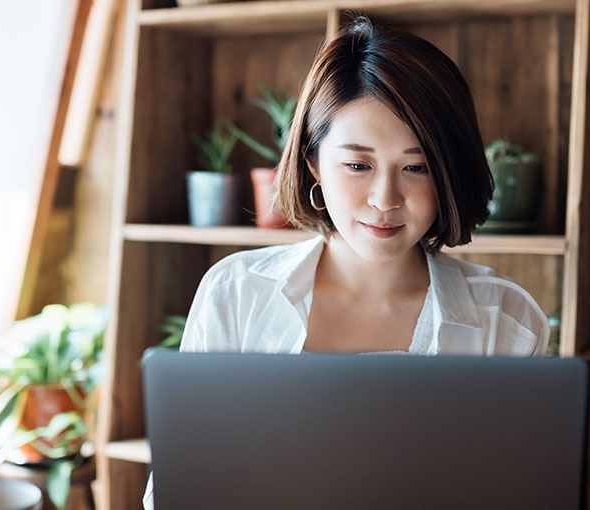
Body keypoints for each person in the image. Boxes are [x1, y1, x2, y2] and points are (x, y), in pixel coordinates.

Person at [142, 14, 549, 508]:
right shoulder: (237, 292)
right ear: (314, 163)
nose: (385, 198)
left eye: (417, 167)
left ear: (449, 172)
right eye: (357, 165)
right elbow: (175, 493)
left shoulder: (506, 320)